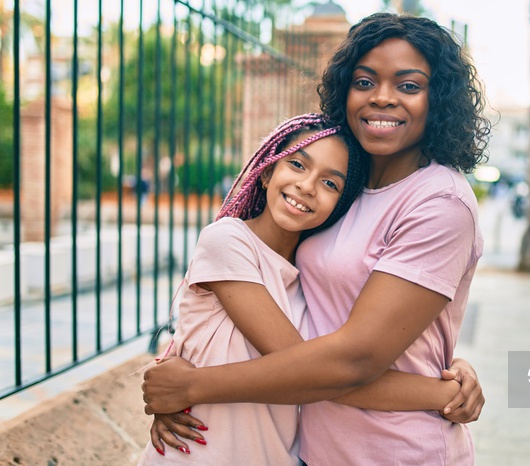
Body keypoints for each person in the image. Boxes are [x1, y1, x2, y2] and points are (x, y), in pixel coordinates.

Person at [143, 12, 490, 465]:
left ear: (438, 100)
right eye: (365, 82)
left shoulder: (439, 203)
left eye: (408, 86)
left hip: (396, 451)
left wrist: (192, 387)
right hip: (314, 448)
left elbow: (352, 360)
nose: (382, 98)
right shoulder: (347, 192)